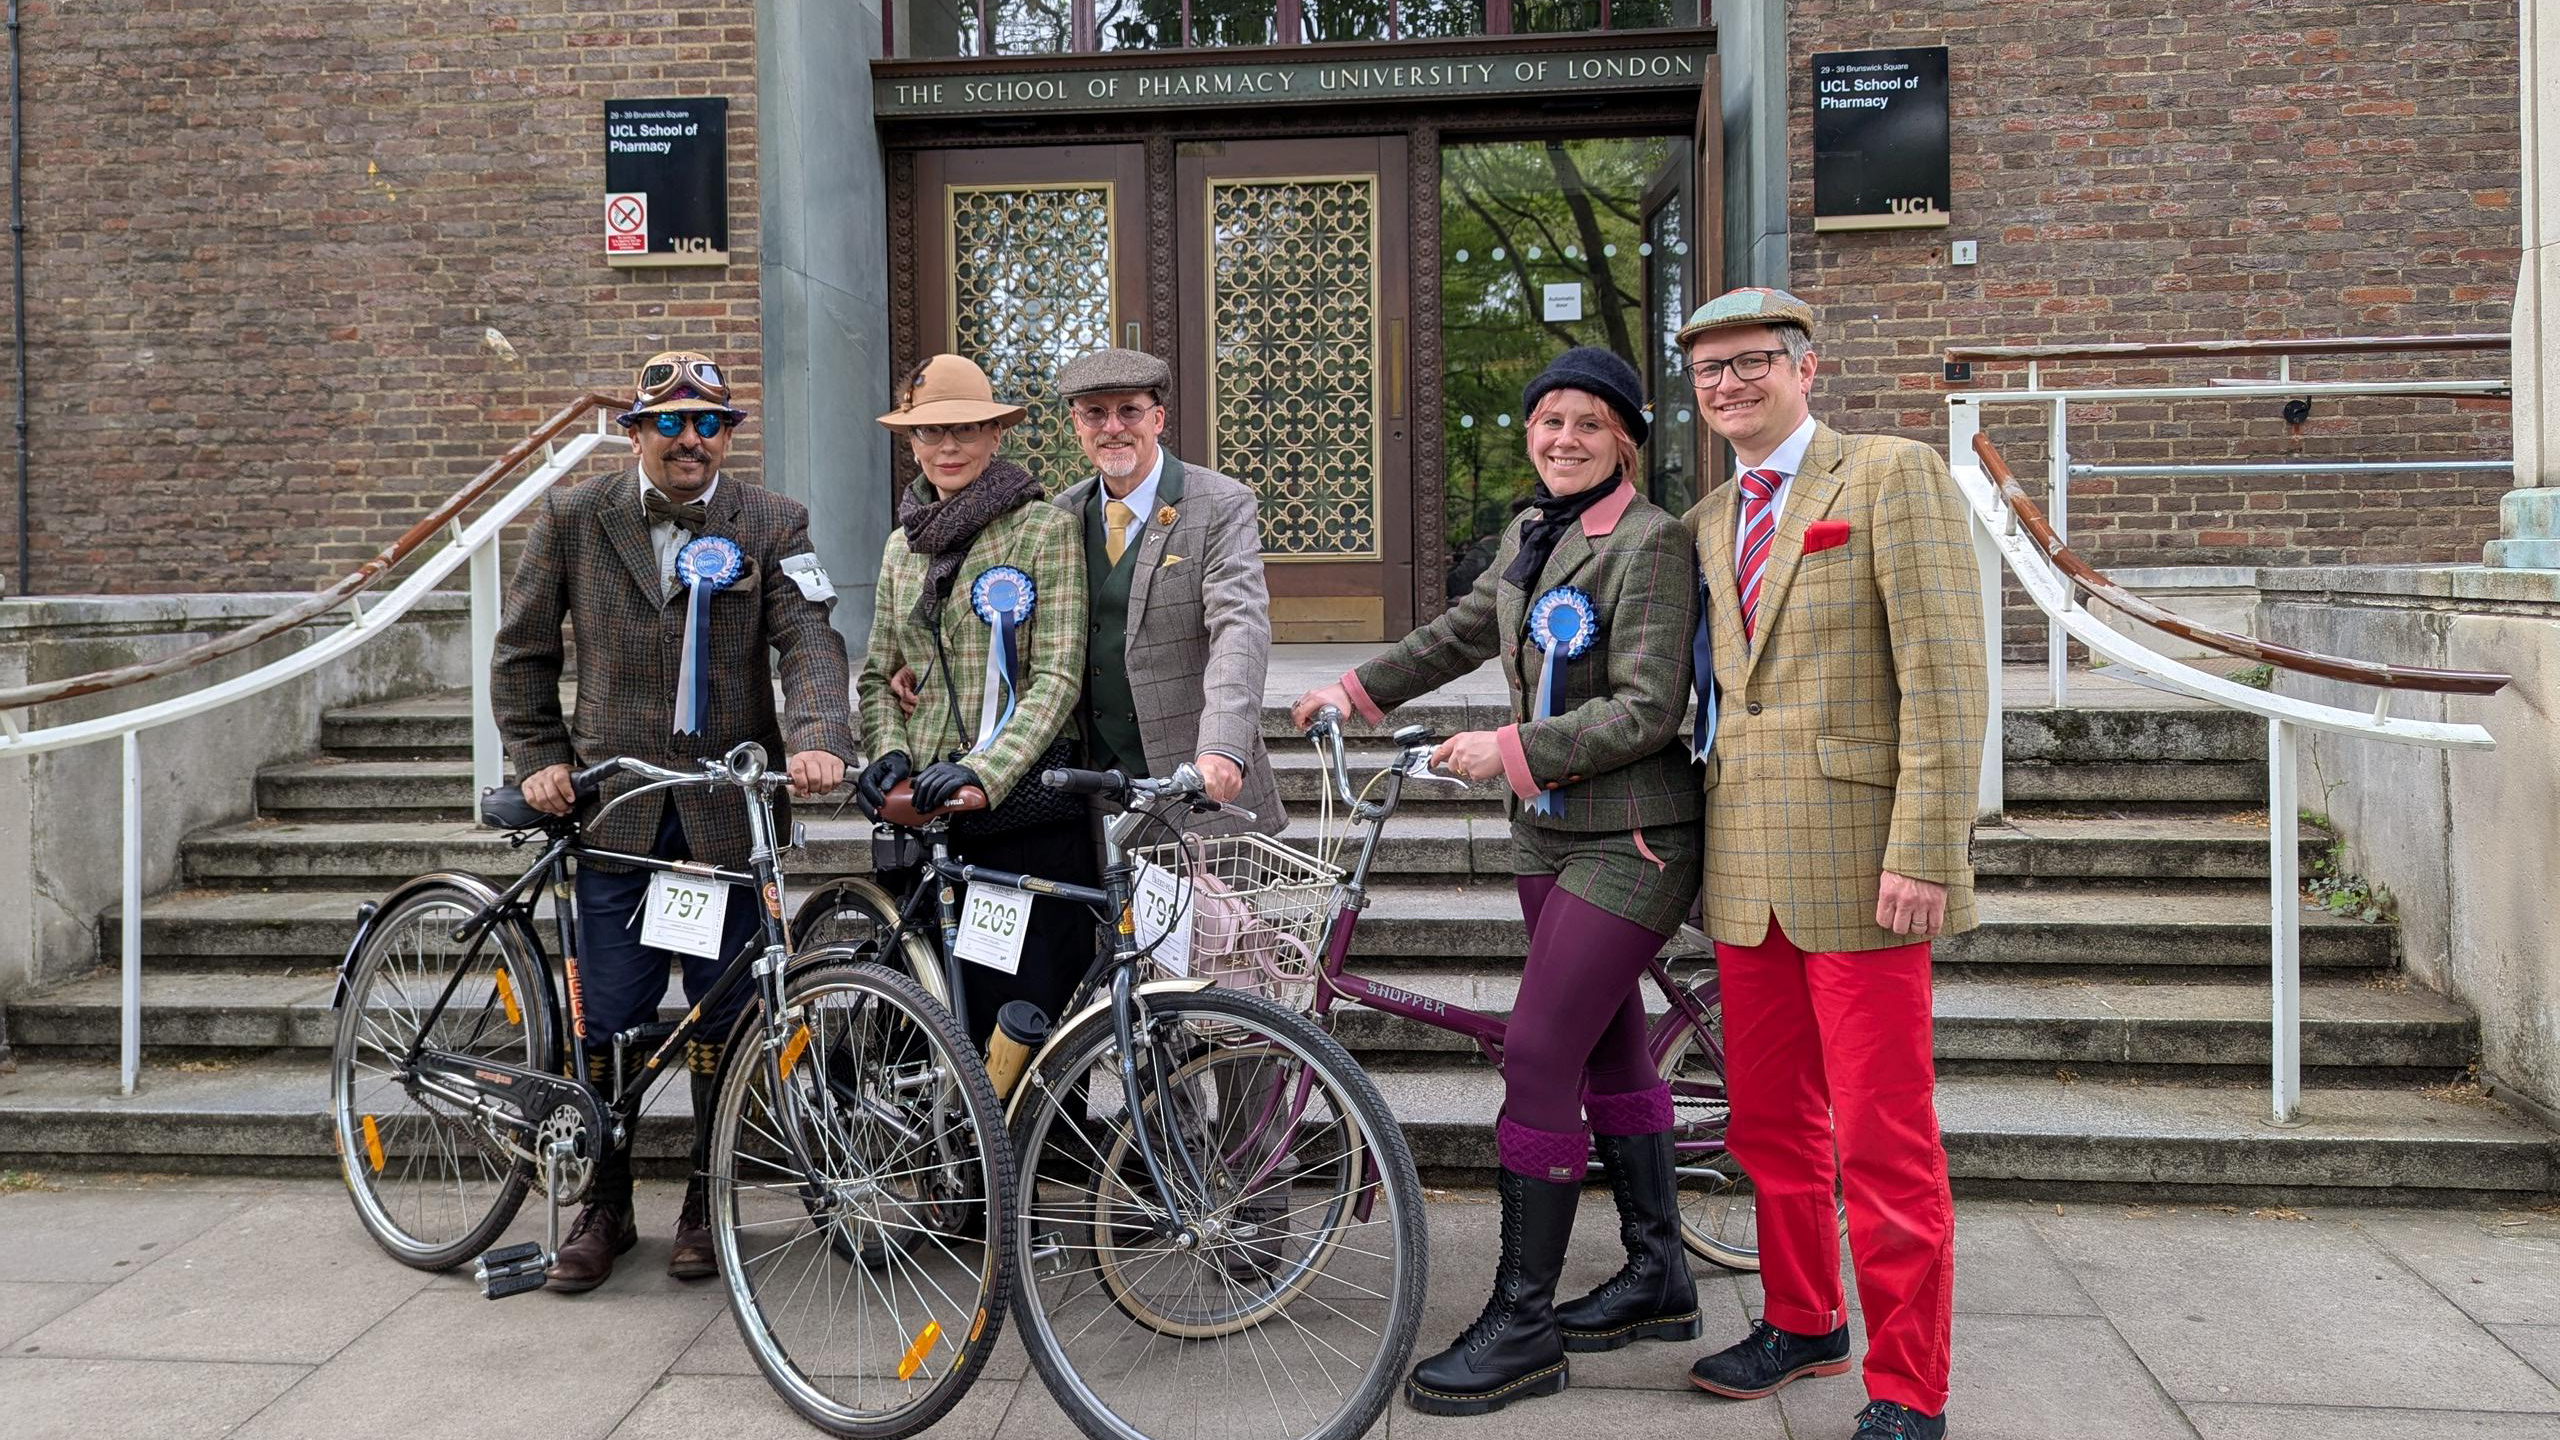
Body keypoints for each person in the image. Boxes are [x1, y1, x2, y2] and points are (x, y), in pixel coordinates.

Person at [1292, 347, 1702, 1417]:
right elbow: (1469, 628)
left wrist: (1507, 747)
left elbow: (1649, 708)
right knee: (1605, 1045)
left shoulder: (1650, 544)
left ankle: (1522, 1322)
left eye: (1585, 424)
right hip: (1545, 837)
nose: (1560, 438)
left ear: (1625, 439)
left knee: (1534, 1051)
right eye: (1546, 421)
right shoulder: (1532, 534)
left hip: (1632, 837)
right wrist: (1355, 688)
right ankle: (1658, 1277)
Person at [1674, 288, 1986, 1440]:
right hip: (1747, 872)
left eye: (1750, 363)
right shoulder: (1711, 516)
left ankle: (1909, 1388)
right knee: (1767, 1128)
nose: (1729, 385)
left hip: (1866, 868)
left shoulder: (1890, 475)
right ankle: (1804, 1319)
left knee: (1883, 1141)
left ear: (1807, 366)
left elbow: (1947, 675)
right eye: (1709, 372)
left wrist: (1926, 847)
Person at [491, 348, 855, 1292]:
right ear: (636, 432)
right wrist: (539, 761)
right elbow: (522, 654)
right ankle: (603, 1205)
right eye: (668, 423)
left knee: (725, 1020)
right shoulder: (574, 518)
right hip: (613, 809)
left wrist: (817, 738)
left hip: (728, 821)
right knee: (607, 1019)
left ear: (727, 435)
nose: (688, 441)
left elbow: (812, 638)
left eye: (708, 425)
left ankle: (703, 1197)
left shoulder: (774, 522)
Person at [854, 354, 1090, 1045]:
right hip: (930, 814)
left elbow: (1057, 677)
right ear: (912, 444)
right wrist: (888, 750)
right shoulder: (902, 546)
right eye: (930, 434)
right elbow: (878, 674)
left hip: (1024, 814)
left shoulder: (1042, 528)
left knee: (1022, 1016)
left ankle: (1035, 1157)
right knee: (927, 1015)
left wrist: (986, 771)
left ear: (994, 437)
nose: (947, 447)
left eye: (964, 430)